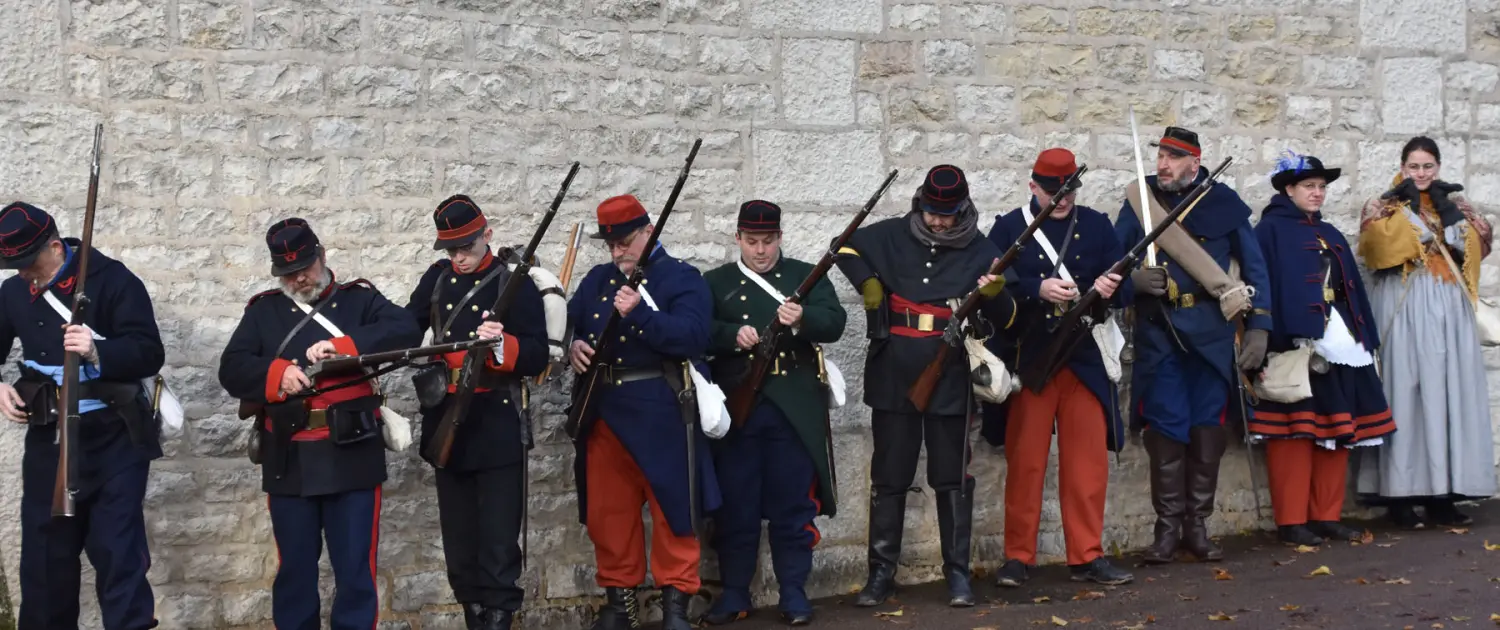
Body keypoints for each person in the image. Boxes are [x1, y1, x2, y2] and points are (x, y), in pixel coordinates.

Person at [218, 218, 421, 629]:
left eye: (305, 267)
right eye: (288, 272)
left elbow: (406, 330)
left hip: (353, 450)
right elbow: (232, 368)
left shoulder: (359, 299)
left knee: (355, 571)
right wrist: (277, 374)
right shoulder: (263, 311)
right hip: (289, 453)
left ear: (322, 256)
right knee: (294, 573)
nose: (299, 278)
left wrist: (344, 347)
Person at [834, 165, 1016, 608]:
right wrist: (869, 283)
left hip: (949, 373)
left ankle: (957, 575)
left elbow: (1010, 317)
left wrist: (995, 294)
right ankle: (880, 575)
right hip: (893, 372)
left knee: (952, 478)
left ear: (962, 210)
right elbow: (843, 247)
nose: (936, 221)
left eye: (945, 214)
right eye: (931, 212)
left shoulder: (980, 248)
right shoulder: (893, 234)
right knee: (889, 477)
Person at [0, 201, 165, 630]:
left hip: (114, 436)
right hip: (49, 437)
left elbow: (149, 352)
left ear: (55, 247)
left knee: (119, 552)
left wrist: (96, 349)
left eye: (27, 261)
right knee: (44, 560)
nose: (21, 272)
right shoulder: (14, 292)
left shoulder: (113, 280)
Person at [1114, 127, 1273, 564]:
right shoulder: (1140, 202)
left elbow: (1255, 268)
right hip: (1160, 332)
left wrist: (1259, 327)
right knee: (1166, 427)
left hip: (1211, 333)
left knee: (1207, 428)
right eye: (1160, 155)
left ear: (1194, 163)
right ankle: (1166, 530)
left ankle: (1197, 527)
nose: (1162, 164)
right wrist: (1133, 282)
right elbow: (1111, 262)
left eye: (1172, 157)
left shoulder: (1224, 203)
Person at [568, 195, 721, 630]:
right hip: (604, 410)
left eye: (625, 242)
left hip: (662, 408)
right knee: (608, 515)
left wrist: (639, 314)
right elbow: (573, 321)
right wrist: (573, 344)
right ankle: (621, 607)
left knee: (674, 511)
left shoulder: (681, 278)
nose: (617, 252)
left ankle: (676, 608)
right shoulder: (598, 280)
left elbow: (693, 336)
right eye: (611, 244)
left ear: (649, 232)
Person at [982, 149, 1133, 586]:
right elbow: (991, 289)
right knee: (1026, 463)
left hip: (1082, 357)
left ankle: (1086, 555)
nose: (1062, 199)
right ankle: (1018, 556)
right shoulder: (1010, 228)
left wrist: (1108, 287)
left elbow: (1124, 289)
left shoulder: (1097, 225)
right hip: (1032, 358)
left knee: (1087, 465)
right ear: (1033, 186)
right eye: (1053, 191)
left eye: (1069, 190)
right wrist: (1037, 288)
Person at [403, 195, 550, 630]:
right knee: (460, 538)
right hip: (447, 418)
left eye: (466, 246)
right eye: (451, 249)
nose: (459, 257)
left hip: (497, 420)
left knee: (499, 539)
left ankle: (500, 616)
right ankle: (473, 613)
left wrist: (503, 345)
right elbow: (405, 328)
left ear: (487, 234)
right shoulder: (436, 278)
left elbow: (538, 354)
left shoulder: (514, 283)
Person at [699, 200, 847, 626]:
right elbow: (699, 329)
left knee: (792, 505)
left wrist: (802, 318)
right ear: (738, 238)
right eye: (752, 241)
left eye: (767, 241)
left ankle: (794, 592)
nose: (760, 250)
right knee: (736, 505)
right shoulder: (716, 282)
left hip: (793, 408)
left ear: (780, 237)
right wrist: (732, 335)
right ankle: (734, 593)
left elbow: (835, 322)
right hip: (740, 406)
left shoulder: (804, 275)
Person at [1249, 152, 1396, 545]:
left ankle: (1326, 516)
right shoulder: (1268, 232)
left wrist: (1366, 337)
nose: (1317, 193)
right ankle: (1292, 521)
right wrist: (1267, 339)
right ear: (1289, 189)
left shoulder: (1330, 232)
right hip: (1294, 344)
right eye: (1309, 186)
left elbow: (1352, 291)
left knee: (1339, 429)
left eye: (1321, 187)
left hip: (1341, 341)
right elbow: (1260, 287)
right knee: (1295, 433)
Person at [1354, 136, 1497, 528]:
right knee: (1406, 392)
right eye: (1414, 166)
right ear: (1403, 166)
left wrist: (1450, 218)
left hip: (1449, 306)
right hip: (1404, 303)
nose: (1420, 173)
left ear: (1438, 167)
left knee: (1450, 393)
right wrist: (1411, 221)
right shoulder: (1383, 204)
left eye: (1427, 166)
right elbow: (1374, 249)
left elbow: (1479, 243)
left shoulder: (1456, 204)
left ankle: (1443, 495)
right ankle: (1400, 495)